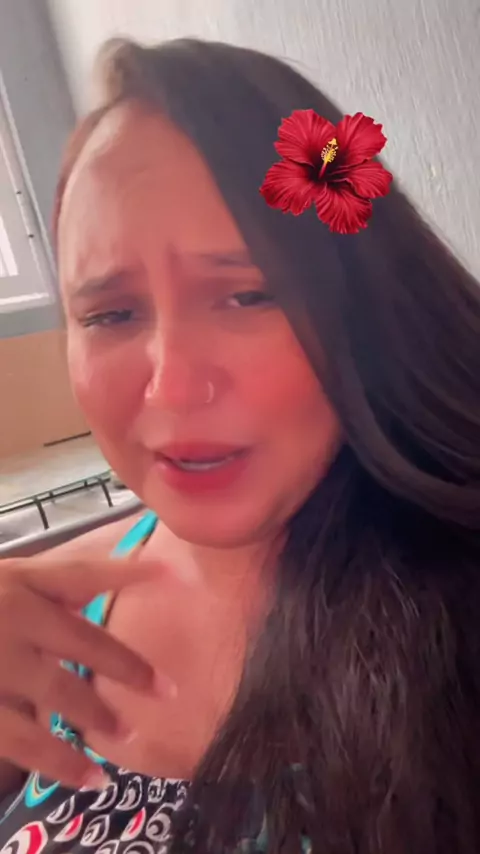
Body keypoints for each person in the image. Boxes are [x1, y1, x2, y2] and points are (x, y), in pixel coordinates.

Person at [0, 36, 479, 854]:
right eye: (111, 313)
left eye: (248, 294)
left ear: (366, 309)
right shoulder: (42, 623)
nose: (171, 387)